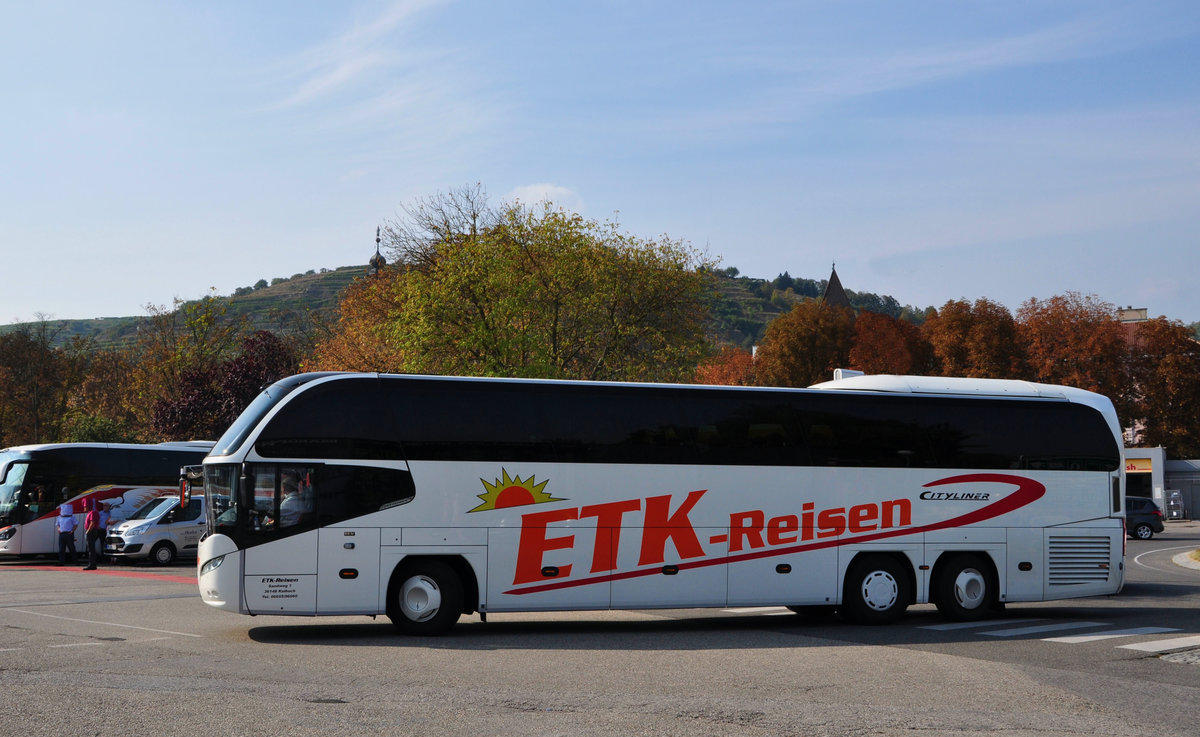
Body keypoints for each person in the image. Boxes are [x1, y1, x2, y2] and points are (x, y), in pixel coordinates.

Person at [56, 501, 77, 566]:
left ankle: (76, 562)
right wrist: (58, 529)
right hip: (62, 534)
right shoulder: (59, 517)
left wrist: (72, 531)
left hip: (69, 534)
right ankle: (61, 562)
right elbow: (57, 524)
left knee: (72, 548)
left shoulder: (72, 517)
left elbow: (75, 524)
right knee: (61, 549)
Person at [83, 499, 102, 570]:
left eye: (85, 506)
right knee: (90, 548)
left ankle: (92, 564)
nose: (84, 508)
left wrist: (88, 531)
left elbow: (92, 522)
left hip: (91, 531)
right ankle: (92, 564)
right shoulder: (92, 512)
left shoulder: (93, 512)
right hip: (92, 531)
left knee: (91, 549)